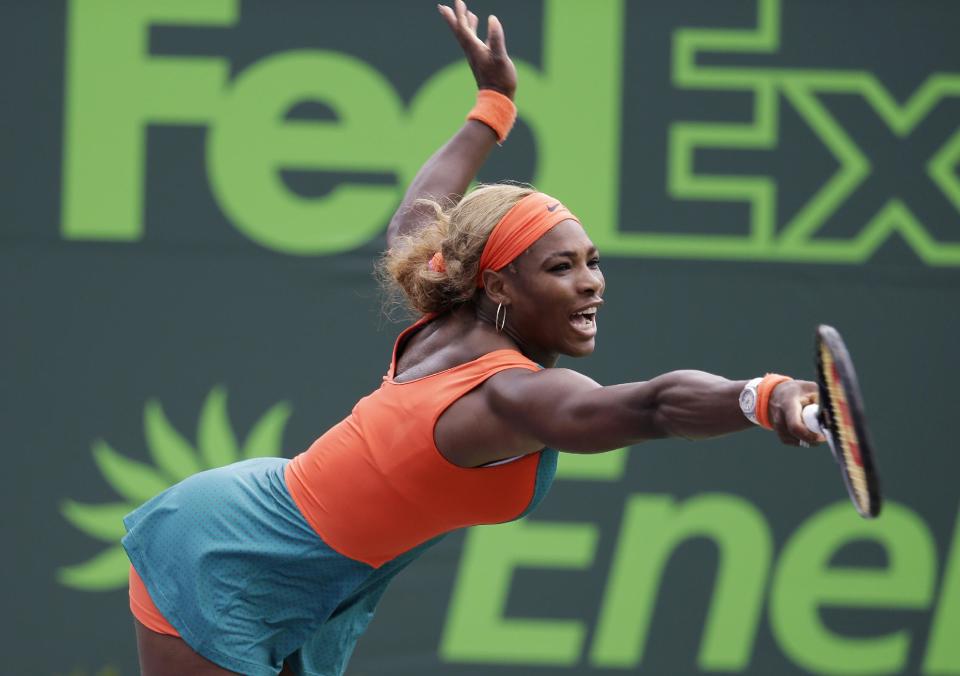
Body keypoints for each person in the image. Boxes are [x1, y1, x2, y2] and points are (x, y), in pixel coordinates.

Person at [122, 2, 824, 674]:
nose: (590, 284)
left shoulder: (446, 311)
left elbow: (417, 216)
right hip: (231, 556)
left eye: (592, 262)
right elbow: (654, 406)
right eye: (560, 267)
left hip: (302, 559)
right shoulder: (512, 397)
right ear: (498, 287)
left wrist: (492, 105)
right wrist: (761, 397)